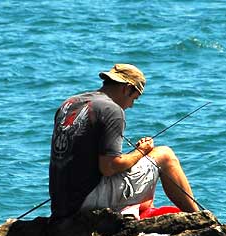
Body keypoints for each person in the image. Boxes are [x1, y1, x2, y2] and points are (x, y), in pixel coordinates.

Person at [49, 63, 199, 219]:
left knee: (139, 166)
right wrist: (141, 151)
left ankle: (136, 209)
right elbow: (109, 167)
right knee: (165, 155)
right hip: (86, 201)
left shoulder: (69, 104)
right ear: (127, 88)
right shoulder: (112, 110)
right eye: (134, 98)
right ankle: (198, 217)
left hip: (62, 202)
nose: (132, 105)